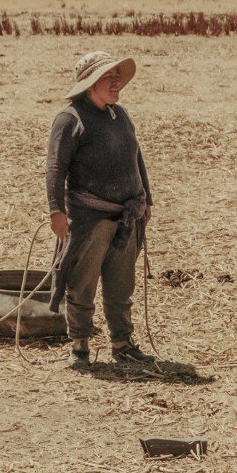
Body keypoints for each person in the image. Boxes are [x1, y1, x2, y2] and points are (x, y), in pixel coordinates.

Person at [45, 51, 153, 368]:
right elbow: (55, 169)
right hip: (89, 219)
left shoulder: (121, 115)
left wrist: (146, 199)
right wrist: (56, 211)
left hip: (127, 217)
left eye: (117, 75)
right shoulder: (70, 119)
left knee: (121, 287)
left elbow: (137, 159)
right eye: (109, 76)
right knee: (82, 284)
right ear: (91, 84)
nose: (116, 82)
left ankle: (122, 344)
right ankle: (79, 347)